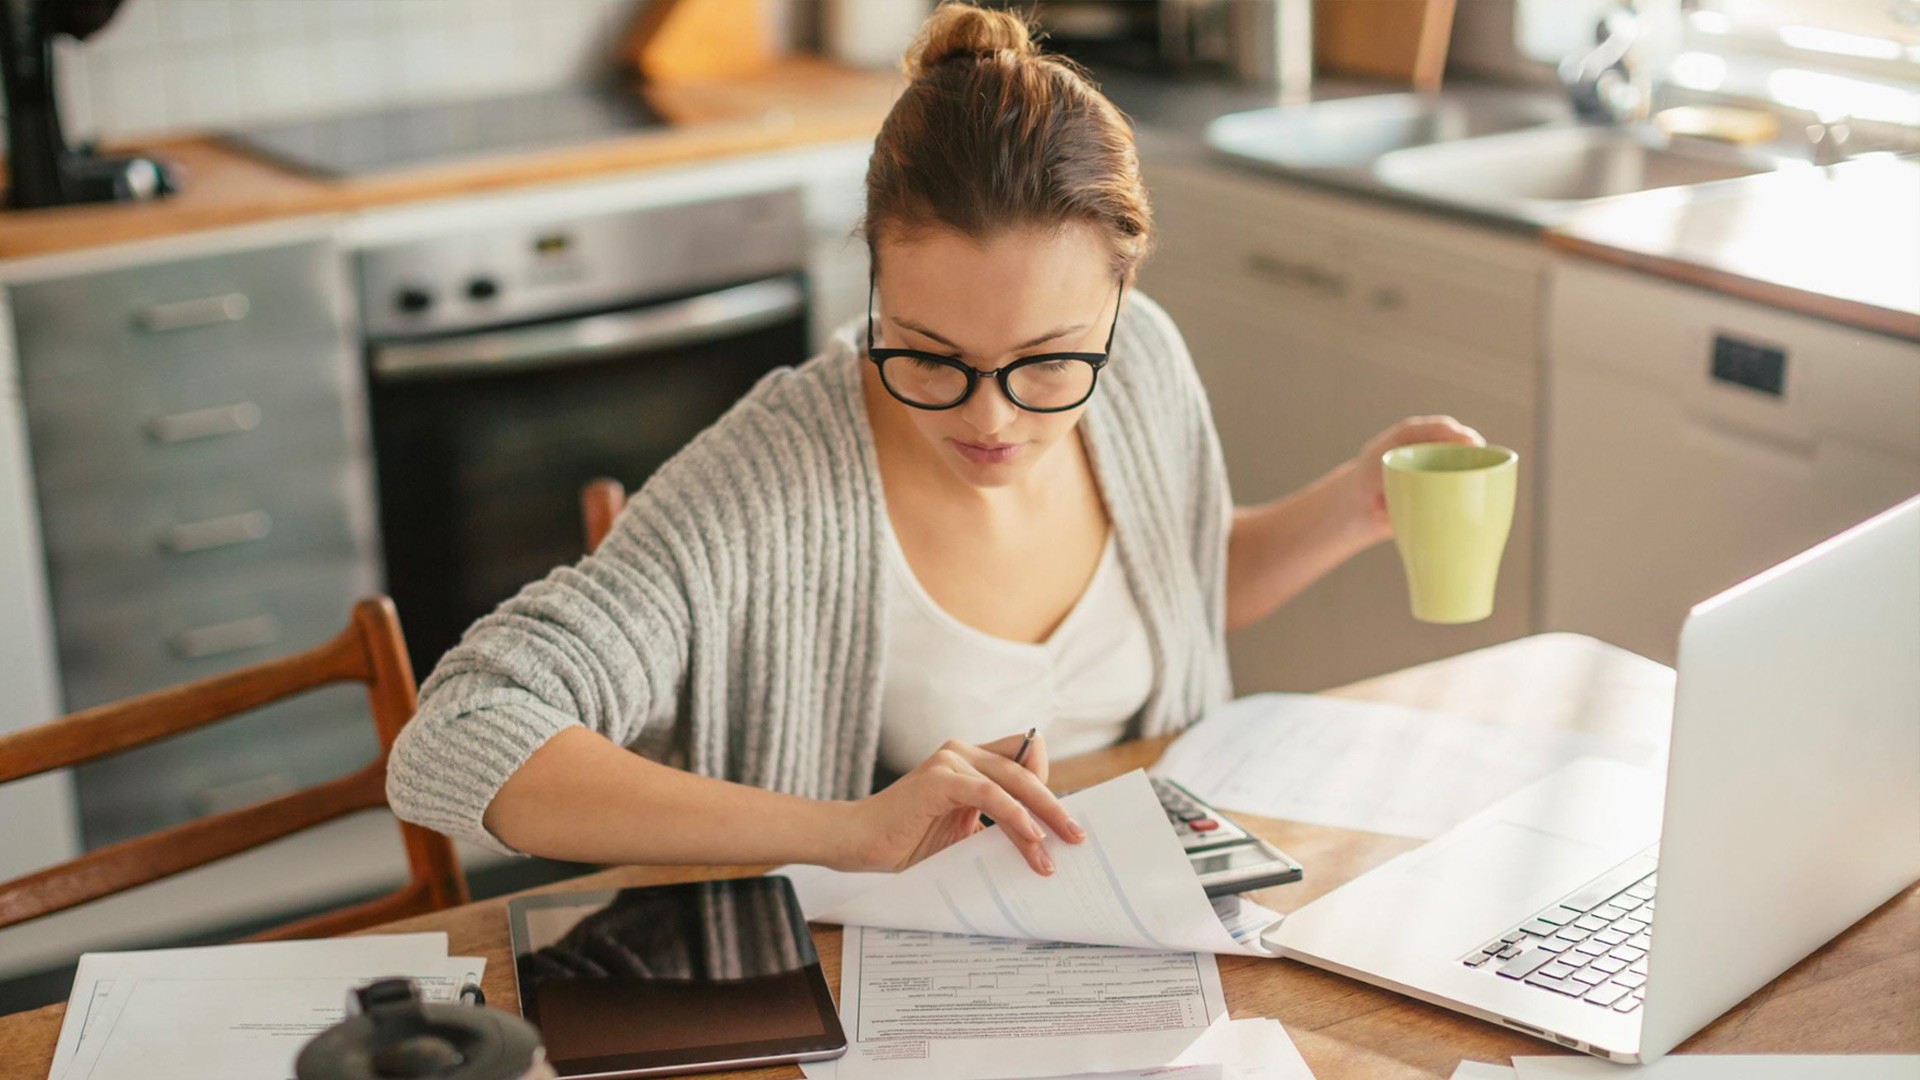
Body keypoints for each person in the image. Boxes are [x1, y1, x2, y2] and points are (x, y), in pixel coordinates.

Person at [386, 1, 1482, 878]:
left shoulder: (1142, 363)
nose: (989, 417)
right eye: (929, 352)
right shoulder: (775, 480)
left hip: (1150, 933)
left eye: (1050, 361)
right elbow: (460, 735)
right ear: (872, 279)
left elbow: (1182, 581)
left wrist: (1350, 505)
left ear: (1122, 295)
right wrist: (847, 831)